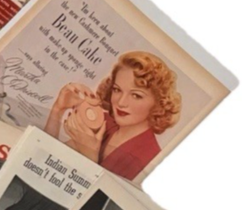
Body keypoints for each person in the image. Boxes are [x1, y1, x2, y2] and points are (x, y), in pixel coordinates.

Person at [44, 51, 182, 181]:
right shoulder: (104, 123)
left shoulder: (149, 159)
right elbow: (46, 158)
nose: (121, 102)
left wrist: (89, 156)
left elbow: (97, 198)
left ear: (158, 103)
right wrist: (58, 110)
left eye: (136, 95)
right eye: (117, 90)